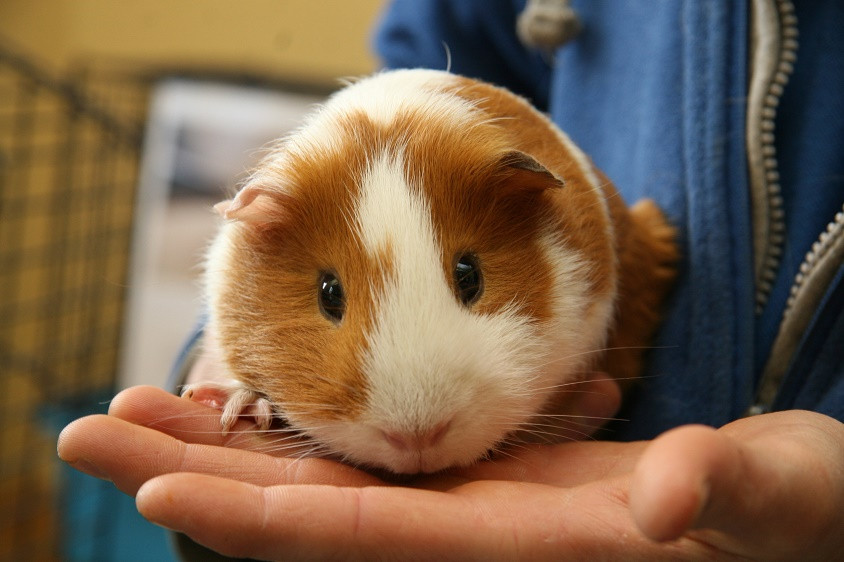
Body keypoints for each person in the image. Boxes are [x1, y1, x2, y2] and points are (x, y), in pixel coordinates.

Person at [59, 1, 844, 559]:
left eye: (470, 280)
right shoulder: (261, 234)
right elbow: (439, 44)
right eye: (331, 298)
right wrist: (231, 375)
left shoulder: (553, 221)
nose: (416, 428)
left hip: (644, 456)